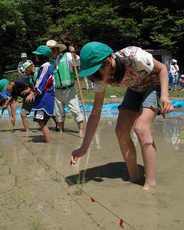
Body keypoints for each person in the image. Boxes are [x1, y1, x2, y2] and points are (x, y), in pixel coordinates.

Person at [70, 42, 174, 190]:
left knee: (141, 128)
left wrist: (164, 96)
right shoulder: (100, 79)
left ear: (109, 60)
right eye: (92, 76)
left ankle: (150, 184)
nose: (97, 79)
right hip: (135, 88)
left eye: (97, 72)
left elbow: (162, 69)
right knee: (121, 131)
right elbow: (95, 114)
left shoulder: (135, 57)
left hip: (153, 83)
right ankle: (134, 178)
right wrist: (84, 148)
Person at [46, 39, 84, 135]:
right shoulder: (50, 62)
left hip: (69, 89)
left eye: (50, 50)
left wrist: (74, 53)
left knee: (75, 109)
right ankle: (61, 131)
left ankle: (81, 130)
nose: (49, 53)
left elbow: (78, 62)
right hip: (57, 91)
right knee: (59, 112)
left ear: (55, 49)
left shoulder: (67, 56)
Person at [25, 45, 55, 143]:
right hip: (44, 99)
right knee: (42, 122)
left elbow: (41, 83)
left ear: (42, 56)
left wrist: (32, 93)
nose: (35, 57)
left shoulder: (45, 67)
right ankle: (48, 142)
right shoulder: (44, 67)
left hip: (44, 99)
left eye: (37, 56)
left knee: (41, 122)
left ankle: (48, 145)